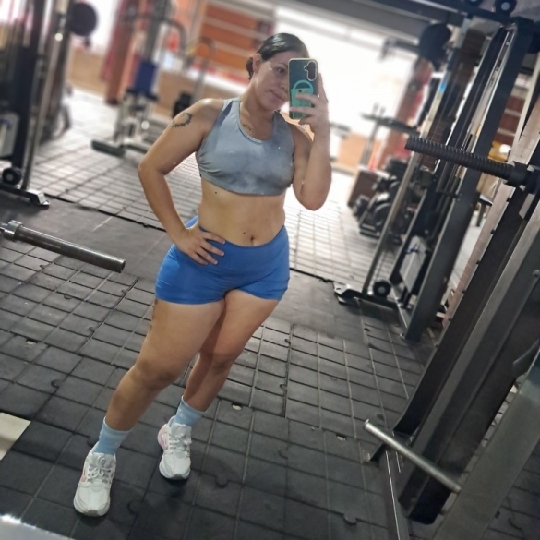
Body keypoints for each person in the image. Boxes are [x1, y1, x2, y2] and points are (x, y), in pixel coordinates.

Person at [73, 32, 331, 516]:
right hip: (204, 261)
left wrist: (325, 127)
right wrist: (179, 232)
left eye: (296, 77)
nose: (283, 84)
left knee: (219, 358)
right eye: (278, 69)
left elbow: (313, 199)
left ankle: (179, 428)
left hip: (264, 269)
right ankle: (102, 454)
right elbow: (151, 168)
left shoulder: (296, 138)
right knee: (158, 368)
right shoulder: (209, 116)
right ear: (254, 63)